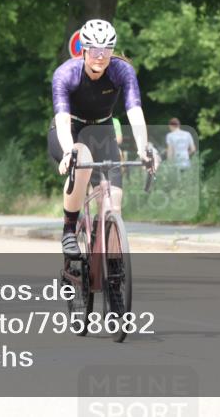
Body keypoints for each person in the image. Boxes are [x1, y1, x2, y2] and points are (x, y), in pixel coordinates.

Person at [49, 19, 154, 259]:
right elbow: (63, 119)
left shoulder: (121, 71)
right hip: (70, 129)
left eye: (107, 48)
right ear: (84, 50)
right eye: (95, 49)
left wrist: (143, 148)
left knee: (113, 204)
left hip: (102, 129)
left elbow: (134, 111)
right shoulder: (66, 74)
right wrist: (68, 151)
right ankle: (68, 229)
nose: (101, 55)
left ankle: (112, 266)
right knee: (81, 160)